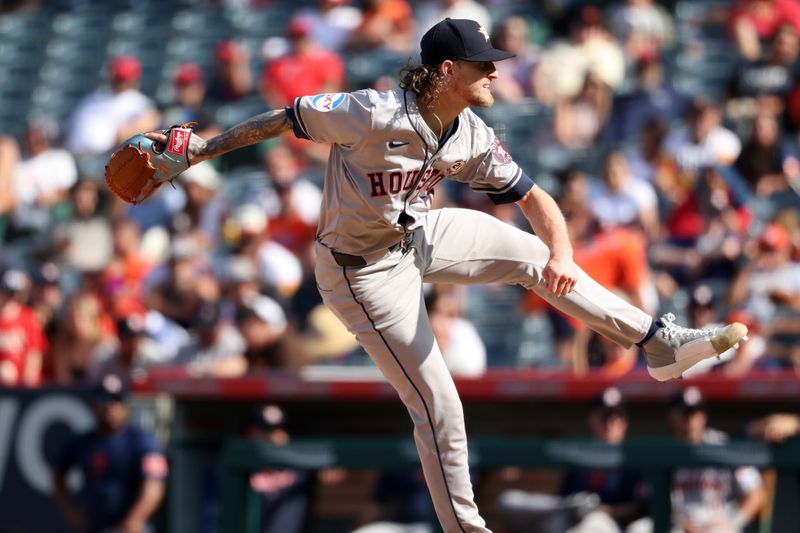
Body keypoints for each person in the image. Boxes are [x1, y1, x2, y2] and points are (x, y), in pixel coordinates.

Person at [145, 19, 748, 532]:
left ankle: (658, 344)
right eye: (482, 65)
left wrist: (562, 254)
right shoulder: (373, 112)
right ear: (445, 70)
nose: (494, 74)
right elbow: (281, 119)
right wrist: (198, 151)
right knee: (439, 404)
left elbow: (538, 201)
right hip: (361, 273)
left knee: (537, 259)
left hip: (420, 237)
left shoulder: (473, 134)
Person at [52, 374, 168, 533]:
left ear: (126, 406)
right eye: (103, 399)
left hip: (130, 528)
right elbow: (58, 477)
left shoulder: (143, 441)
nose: (109, 406)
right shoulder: (81, 442)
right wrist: (72, 512)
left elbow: (154, 487)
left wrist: (135, 519)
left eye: (116, 400)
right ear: (93, 404)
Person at [667, 386, 767, 533]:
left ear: (704, 415)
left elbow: (756, 494)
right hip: (680, 525)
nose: (692, 417)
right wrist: (679, 522)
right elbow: (649, 500)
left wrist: (733, 523)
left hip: (718, 524)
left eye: (697, 411)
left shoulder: (724, 445)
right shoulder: (666, 450)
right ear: (672, 416)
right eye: (686, 411)